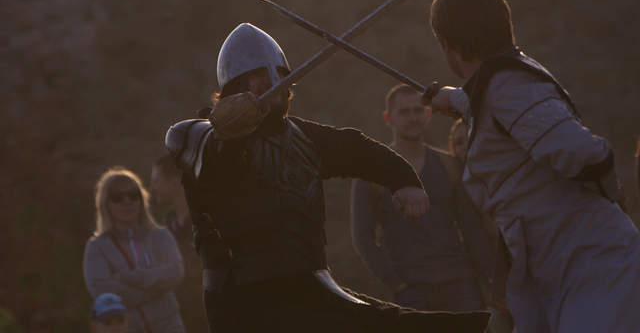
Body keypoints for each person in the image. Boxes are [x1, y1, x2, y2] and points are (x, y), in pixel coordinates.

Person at [165, 23, 490, 332]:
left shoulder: (306, 138)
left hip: (312, 287)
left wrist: (404, 179)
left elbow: (358, 149)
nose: (270, 81)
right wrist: (231, 131)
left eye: (277, 74)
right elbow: (216, 160)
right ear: (234, 87)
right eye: (256, 75)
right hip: (243, 301)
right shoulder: (194, 135)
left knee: (418, 327)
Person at [428, 0, 640, 333]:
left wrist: (608, 192)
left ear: (448, 46)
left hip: (594, 265)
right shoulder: (498, 86)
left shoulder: (509, 86)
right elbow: (491, 105)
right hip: (558, 269)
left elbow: (587, 154)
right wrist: (450, 97)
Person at [351, 83, 492, 313]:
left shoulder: (450, 165)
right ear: (388, 118)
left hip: (461, 283)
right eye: (404, 112)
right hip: (411, 290)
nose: (413, 117)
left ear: (428, 115)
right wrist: (396, 283)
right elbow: (362, 237)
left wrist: (491, 275)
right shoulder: (371, 174)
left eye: (418, 111)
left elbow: (471, 228)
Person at [83, 167, 186, 333]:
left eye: (133, 195)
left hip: (170, 326)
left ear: (142, 199)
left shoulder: (161, 236)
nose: (127, 201)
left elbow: (174, 273)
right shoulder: (97, 246)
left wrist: (125, 277)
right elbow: (101, 288)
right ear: (105, 203)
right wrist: (153, 289)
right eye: (118, 197)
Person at [150, 154, 208, 333]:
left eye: (156, 181)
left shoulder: (209, 225)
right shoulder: (161, 234)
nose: (151, 189)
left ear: (175, 181)